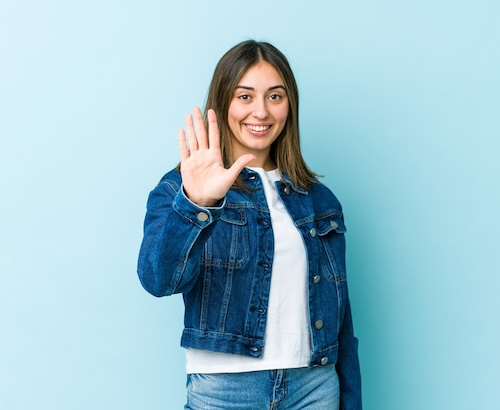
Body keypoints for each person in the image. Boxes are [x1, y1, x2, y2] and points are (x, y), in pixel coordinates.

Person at [137, 40, 362, 410]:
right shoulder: (182, 189)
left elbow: (342, 323)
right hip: (225, 391)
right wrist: (198, 204)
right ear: (223, 101)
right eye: (245, 96)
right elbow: (158, 280)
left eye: (275, 96)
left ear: (290, 105)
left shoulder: (319, 199)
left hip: (315, 387)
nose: (261, 111)